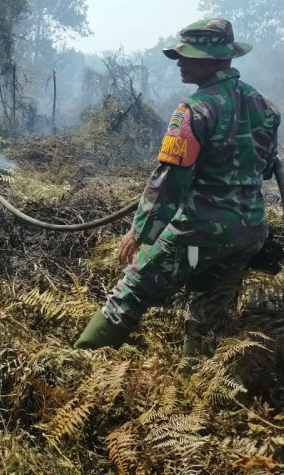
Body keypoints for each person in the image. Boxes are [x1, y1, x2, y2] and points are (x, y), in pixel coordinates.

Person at [74, 18, 280, 354]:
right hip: (248, 233)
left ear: (214, 58)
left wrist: (140, 231)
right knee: (208, 309)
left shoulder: (195, 109)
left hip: (200, 233)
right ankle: (196, 385)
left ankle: (76, 364)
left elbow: (171, 180)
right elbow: (267, 166)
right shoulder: (266, 107)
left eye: (188, 55)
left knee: (131, 291)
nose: (180, 62)